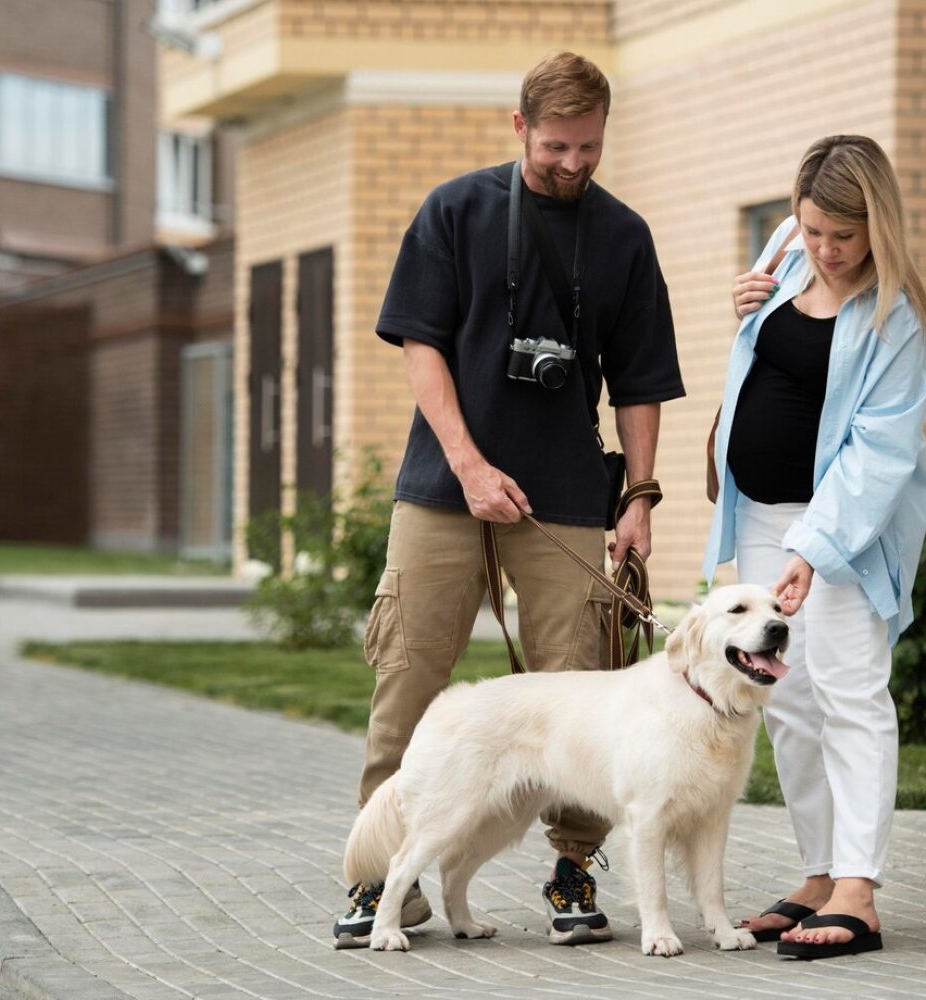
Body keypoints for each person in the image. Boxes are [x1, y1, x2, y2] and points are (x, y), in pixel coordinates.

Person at [332, 50, 684, 950]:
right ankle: (381, 881)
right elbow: (420, 345)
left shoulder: (625, 237)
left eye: (591, 147)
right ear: (519, 126)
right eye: (558, 145)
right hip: (444, 489)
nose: (574, 163)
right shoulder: (454, 210)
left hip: (568, 493)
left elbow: (641, 383)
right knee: (407, 677)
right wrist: (469, 465)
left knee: (578, 694)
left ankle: (573, 868)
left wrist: (637, 497)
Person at [703, 135, 926, 960]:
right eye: (812, 231)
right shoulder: (789, 250)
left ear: (878, 226)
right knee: (786, 698)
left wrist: (814, 547)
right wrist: (745, 308)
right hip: (760, 513)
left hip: (840, 529)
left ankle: (859, 890)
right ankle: (818, 871)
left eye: (843, 237)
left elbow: (882, 452)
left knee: (849, 694)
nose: (824, 251)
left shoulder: (897, 315)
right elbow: (761, 362)